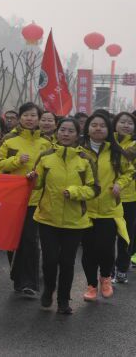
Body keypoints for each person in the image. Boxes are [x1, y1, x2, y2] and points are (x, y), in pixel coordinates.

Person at [30, 117, 98, 314]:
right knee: (50, 260)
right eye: (62, 130)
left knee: (67, 263)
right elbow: (38, 184)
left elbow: (95, 188)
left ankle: (63, 299)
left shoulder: (86, 159)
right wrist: (32, 179)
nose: (66, 134)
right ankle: (49, 289)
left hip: (74, 221)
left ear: (77, 135)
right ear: (57, 132)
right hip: (47, 217)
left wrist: (75, 192)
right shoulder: (45, 157)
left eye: (70, 131)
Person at [0, 102, 52, 296]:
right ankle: (17, 275)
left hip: (35, 198)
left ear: (39, 119)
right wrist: (16, 161)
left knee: (30, 239)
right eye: (26, 115)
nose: (29, 118)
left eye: (33, 115)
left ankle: (30, 282)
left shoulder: (46, 142)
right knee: (14, 239)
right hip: (12, 198)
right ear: (20, 118)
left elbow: (51, 168)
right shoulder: (9, 140)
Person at [79, 112, 133, 301]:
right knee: (88, 249)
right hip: (84, 209)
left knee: (105, 248)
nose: (98, 128)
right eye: (94, 125)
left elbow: (129, 172)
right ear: (87, 128)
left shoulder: (117, 151)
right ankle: (92, 285)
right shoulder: (79, 149)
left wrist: (120, 184)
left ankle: (106, 277)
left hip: (109, 209)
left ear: (109, 129)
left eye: (102, 125)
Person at [113, 112, 136, 282]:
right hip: (107, 196)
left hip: (130, 197)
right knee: (106, 237)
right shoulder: (106, 142)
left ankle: (122, 268)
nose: (126, 125)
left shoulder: (134, 144)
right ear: (115, 124)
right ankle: (107, 269)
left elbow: (129, 163)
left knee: (125, 235)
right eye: (122, 122)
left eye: (130, 123)